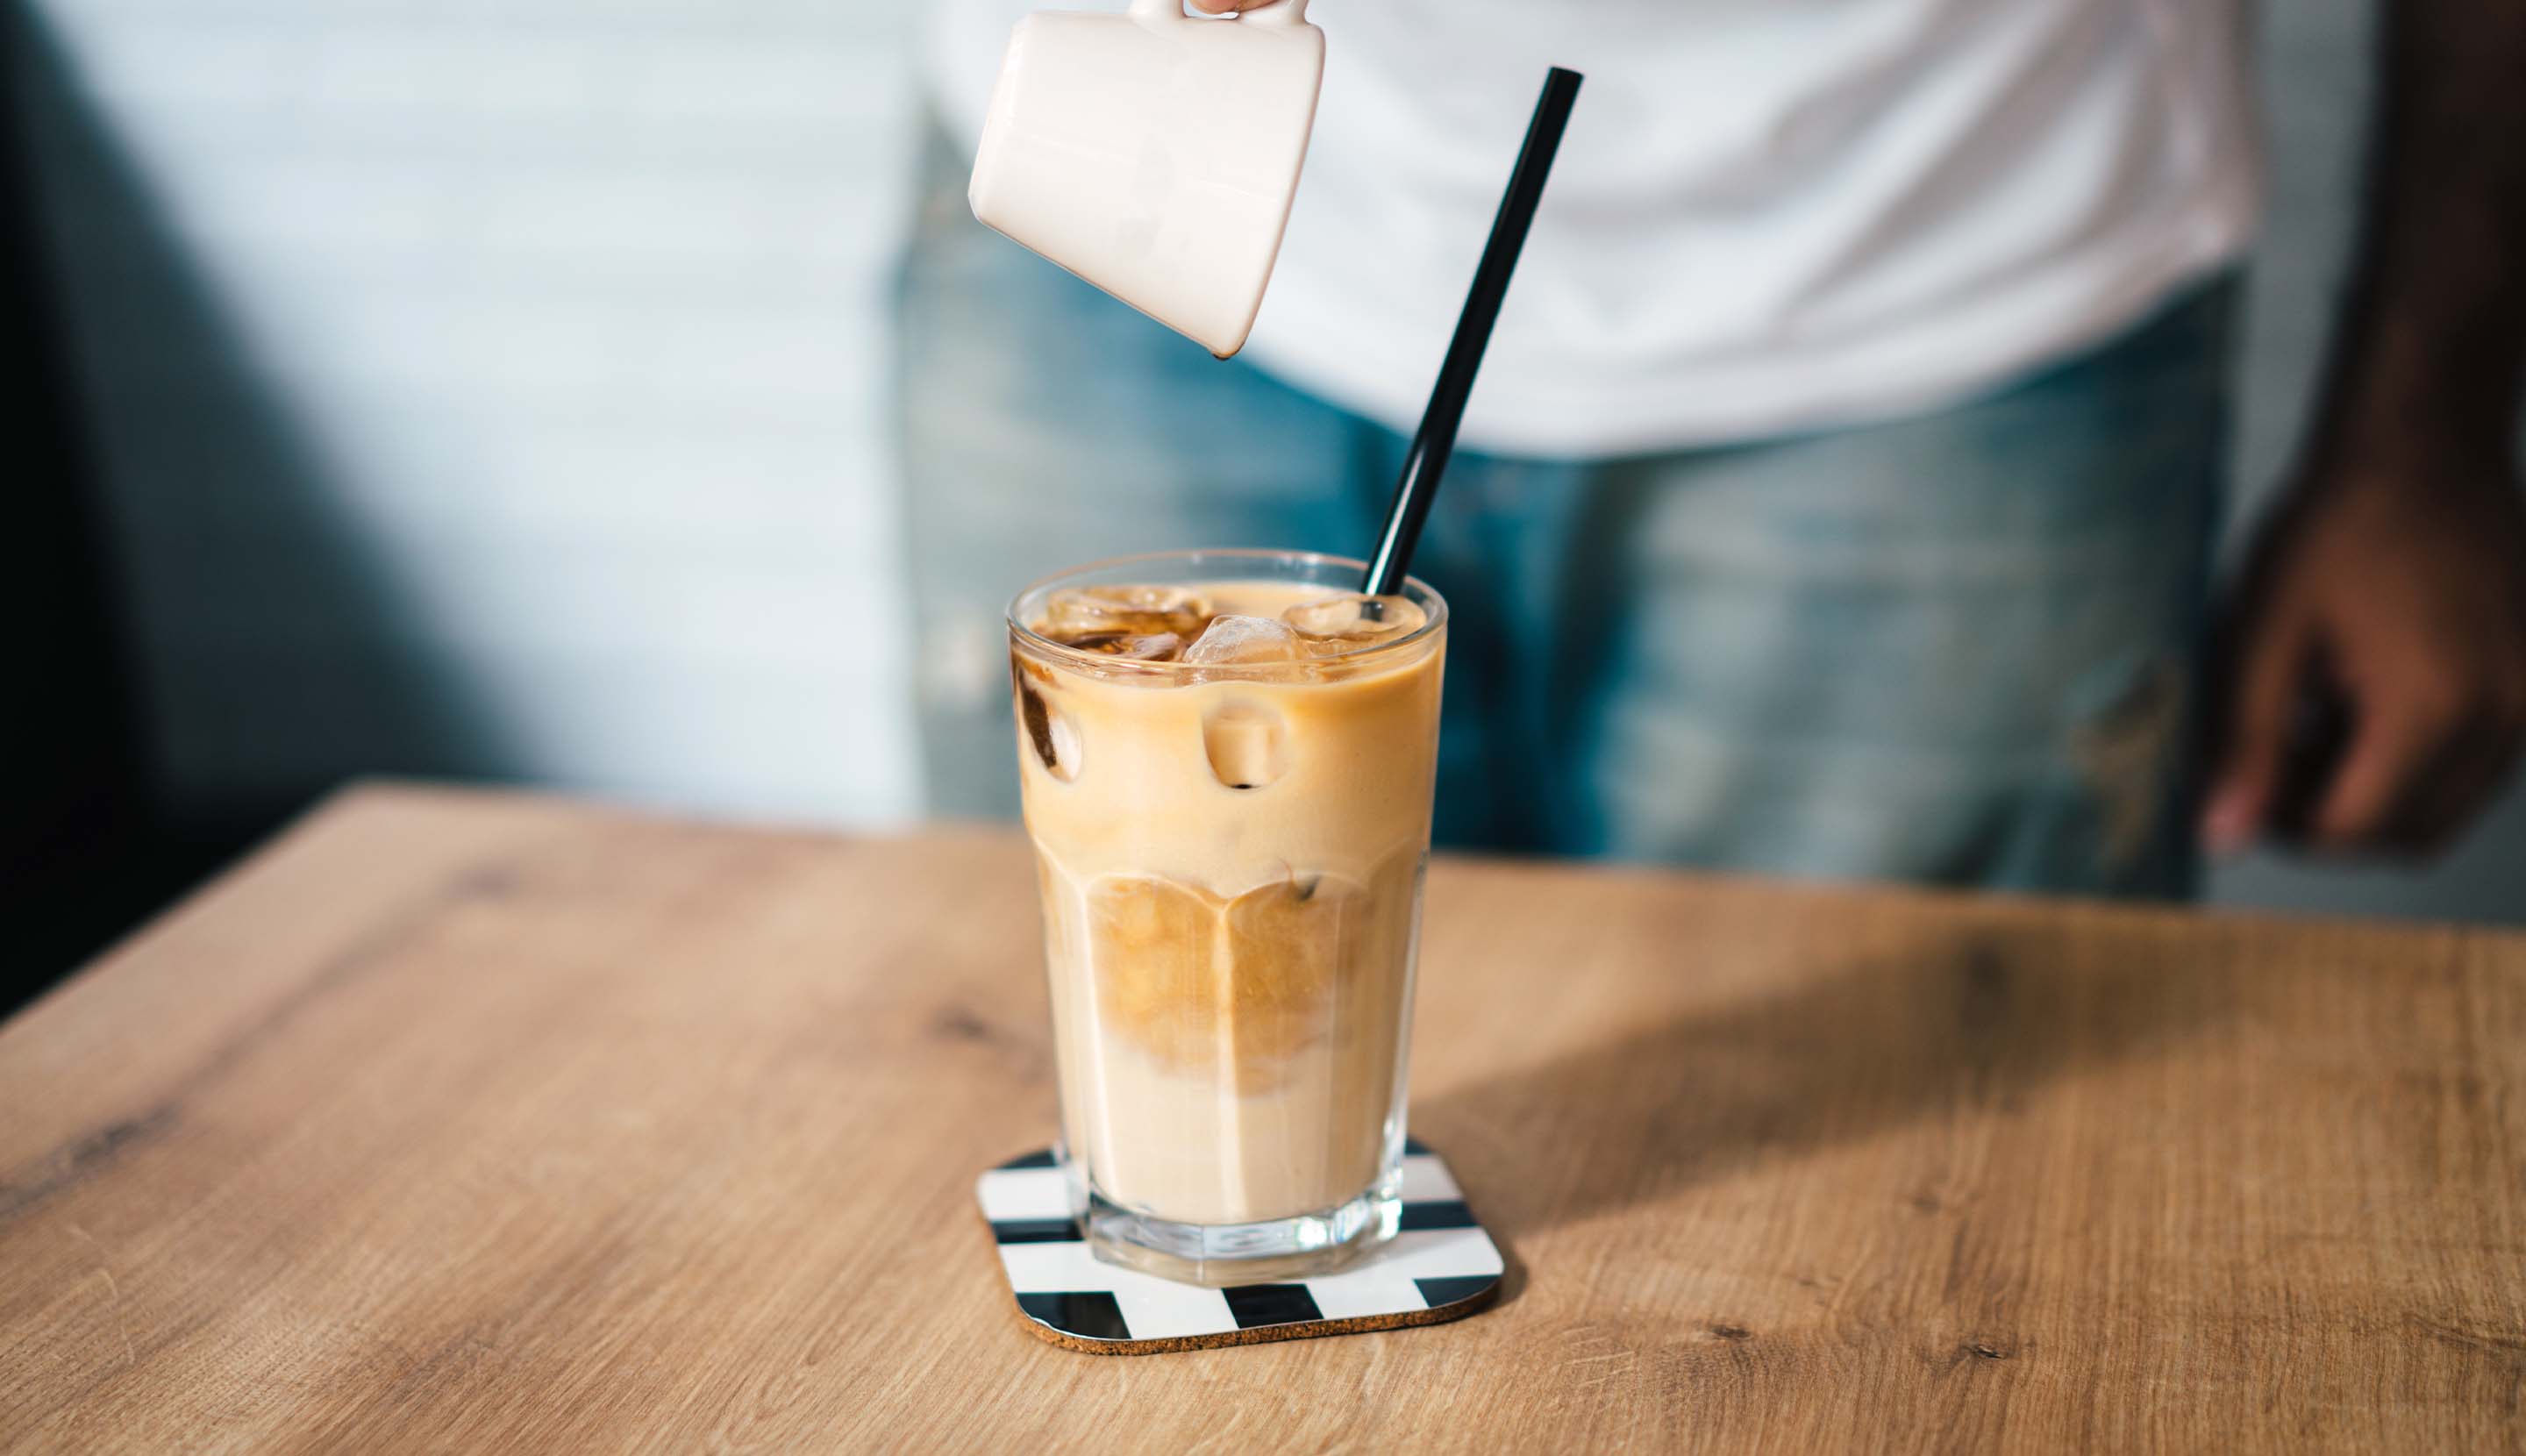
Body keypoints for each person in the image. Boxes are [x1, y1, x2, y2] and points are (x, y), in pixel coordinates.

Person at [896, 0, 2526, 896]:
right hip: (1118, 200)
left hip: (1949, 250)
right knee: (1113, 1120)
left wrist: (2423, 441)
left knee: (1907, 1236)